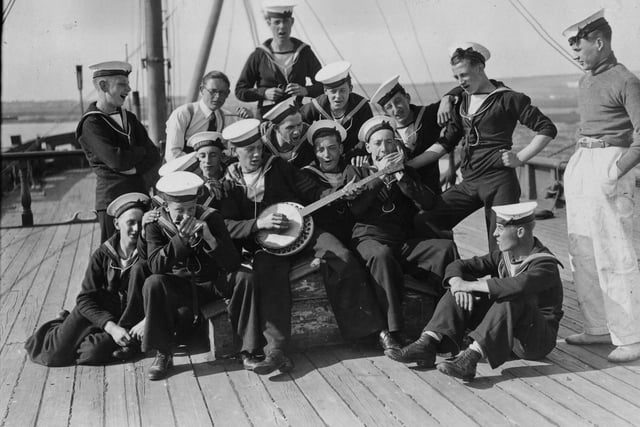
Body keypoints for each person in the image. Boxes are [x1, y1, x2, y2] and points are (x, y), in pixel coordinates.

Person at [221, 119, 384, 374]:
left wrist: (336, 193)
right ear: (233, 152)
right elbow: (226, 225)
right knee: (267, 273)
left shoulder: (278, 167)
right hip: (267, 247)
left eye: (257, 148)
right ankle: (276, 350)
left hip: (306, 232)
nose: (255, 155)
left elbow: (311, 190)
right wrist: (257, 224)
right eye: (248, 150)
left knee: (341, 256)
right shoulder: (229, 184)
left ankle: (367, 332)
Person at [387, 202, 564, 381]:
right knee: (463, 285)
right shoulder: (505, 255)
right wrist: (458, 283)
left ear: (520, 232)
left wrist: (468, 286)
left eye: (500, 229)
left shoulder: (545, 264)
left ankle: (470, 359)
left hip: (535, 341)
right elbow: (458, 265)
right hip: (509, 331)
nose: (495, 234)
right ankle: (428, 343)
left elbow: (517, 285)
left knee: (511, 295)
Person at [414, 43, 557, 251]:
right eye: (456, 78)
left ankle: (511, 279)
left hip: (499, 181)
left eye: (464, 75)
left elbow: (547, 128)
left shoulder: (508, 98)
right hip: (469, 182)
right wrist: (410, 164)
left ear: (480, 68)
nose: (460, 82)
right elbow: (447, 142)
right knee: (425, 220)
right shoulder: (461, 101)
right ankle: (448, 272)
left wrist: (520, 158)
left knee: (502, 244)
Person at [561, 10, 640, 362]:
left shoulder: (626, 80)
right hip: (584, 160)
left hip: (610, 163)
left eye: (579, 47)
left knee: (615, 251)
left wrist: (617, 170)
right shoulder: (586, 80)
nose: (575, 54)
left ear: (599, 42)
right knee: (583, 247)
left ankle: (633, 335)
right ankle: (597, 326)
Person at [345, 116, 459, 352]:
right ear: (368, 148)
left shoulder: (405, 171)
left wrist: (400, 175)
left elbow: (428, 203)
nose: (384, 148)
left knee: (444, 250)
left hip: (402, 242)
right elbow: (356, 209)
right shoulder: (355, 169)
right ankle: (394, 332)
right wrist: (380, 176)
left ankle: (445, 327)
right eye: (377, 143)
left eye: (389, 142)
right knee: (382, 256)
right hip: (369, 240)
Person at [141, 171, 261, 380]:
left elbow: (232, 262)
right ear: (166, 206)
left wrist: (210, 239)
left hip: (213, 282)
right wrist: (180, 240)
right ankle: (163, 353)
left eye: (190, 209)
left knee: (245, 277)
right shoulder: (155, 223)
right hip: (181, 288)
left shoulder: (210, 217)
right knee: (153, 283)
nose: (186, 216)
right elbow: (155, 265)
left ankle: (248, 350)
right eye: (179, 210)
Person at [25, 193, 151, 366]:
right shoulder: (103, 254)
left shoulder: (149, 255)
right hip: (97, 313)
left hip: (127, 321)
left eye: (140, 223)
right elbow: (85, 298)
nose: (136, 229)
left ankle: (80, 331)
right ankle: (62, 323)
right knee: (53, 355)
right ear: (116, 224)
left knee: (93, 352)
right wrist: (111, 328)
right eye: (130, 222)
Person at [77, 61, 161, 243]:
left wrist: (135, 168)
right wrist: (140, 152)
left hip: (140, 196)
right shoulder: (91, 124)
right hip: (113, 201)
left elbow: (154, 154)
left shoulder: (128, 118)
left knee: (145, 252)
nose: (129, 89)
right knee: (115, 255)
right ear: (103, 85)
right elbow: (117, 161)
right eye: (122, 84)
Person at [370, 75, 460, 195]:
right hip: (400, 198)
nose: (396, 109)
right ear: (385, 112)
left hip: (430, 193)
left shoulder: (427, 115)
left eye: (398, 101)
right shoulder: (384, 131)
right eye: (389, 107)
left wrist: (447, 97)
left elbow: (463, 90)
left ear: (407, 98)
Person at [235, 1, 322, 117]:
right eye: (277, 22)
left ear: (292, 22)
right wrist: (264, 93)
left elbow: (323, 85)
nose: (282, 26)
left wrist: (306, 90)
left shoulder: (304, 52)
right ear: (268, 23)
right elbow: (240, 90)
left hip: (298, 118)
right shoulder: (259, 55)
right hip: (267, 120)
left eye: (286, 21)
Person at [164, 70, 251, 162]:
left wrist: (249, 121)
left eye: (222, 93)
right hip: (183, 169)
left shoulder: (226, 117)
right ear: (202, 90)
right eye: (212, 91)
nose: (217, 96)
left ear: (227, 94)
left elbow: (237, 149)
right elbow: (172, 154)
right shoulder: (183, 114)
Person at [300, 61, 373, 160]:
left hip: (353, 159)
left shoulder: (362, 107)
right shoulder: (316, 106)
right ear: (325, 91)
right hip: (322, 159)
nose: (338, 96)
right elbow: (298, 124)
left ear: (350, 89)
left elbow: (368, 136)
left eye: (342, 90)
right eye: (333, 91)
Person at [300, 120, 355, 245]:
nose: (327, 155)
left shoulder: (351, 169)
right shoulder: (307, 176)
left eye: (332, 148)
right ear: (315, 152)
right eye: (321, 150)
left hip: (356, 231)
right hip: (326, 235)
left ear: (341, 149)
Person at [260, 97, 315, 168]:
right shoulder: (262, 144)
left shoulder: (310, 139)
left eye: (299, 125)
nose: (296, 132)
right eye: (290, 127)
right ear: (276, 128)